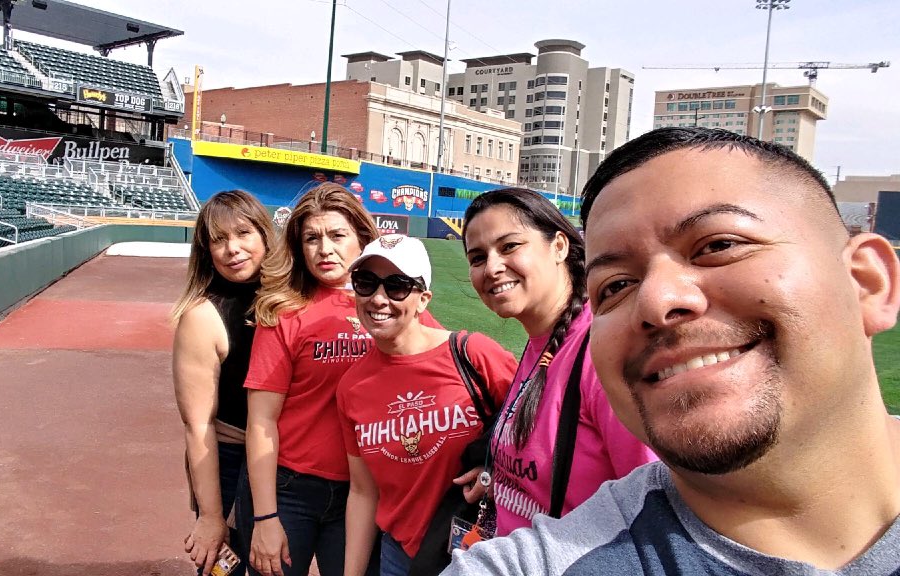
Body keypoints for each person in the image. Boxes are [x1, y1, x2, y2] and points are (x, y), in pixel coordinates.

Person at [445, 127, 900, 575]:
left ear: (866, 281)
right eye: (618, 285)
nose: (657, 302)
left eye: (718, 245)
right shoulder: (547, 349)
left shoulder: (590, 361)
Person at [238, 183, 440, 576]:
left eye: (336, 235)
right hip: (289, 488)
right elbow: (261, 421)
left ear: (362, 239)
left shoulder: (391, 304)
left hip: (365, 491)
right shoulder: (285, 312)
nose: (324, 249)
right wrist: (264, 518)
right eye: (311, 238)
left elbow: (441, 368)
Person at [459, 187, 656, 537]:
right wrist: (499, 478)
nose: (491, 267)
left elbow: (653, 508)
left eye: (509, 246)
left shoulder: (600, 353)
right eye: (477, 257)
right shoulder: (541, 340)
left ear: (559, 247)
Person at [336, 235, 517, 576]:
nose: (378, 298)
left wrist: (496, 471)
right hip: (400, 556)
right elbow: (363, 492)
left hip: (478, 554)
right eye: (366, 283)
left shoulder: (473, 354)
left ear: (423, 299)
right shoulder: (352, 386)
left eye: (397, 286)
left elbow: (533, 427)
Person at [172, 190, 274, 576]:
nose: (233, 249)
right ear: (206, 250)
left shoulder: (286, 298)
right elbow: (198, 426)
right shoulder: (202, 314)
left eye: (243, 233)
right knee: (224, 568)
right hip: (230, 462)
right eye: (219, 239)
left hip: (283, 459)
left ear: (264, 235)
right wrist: (212, 515)